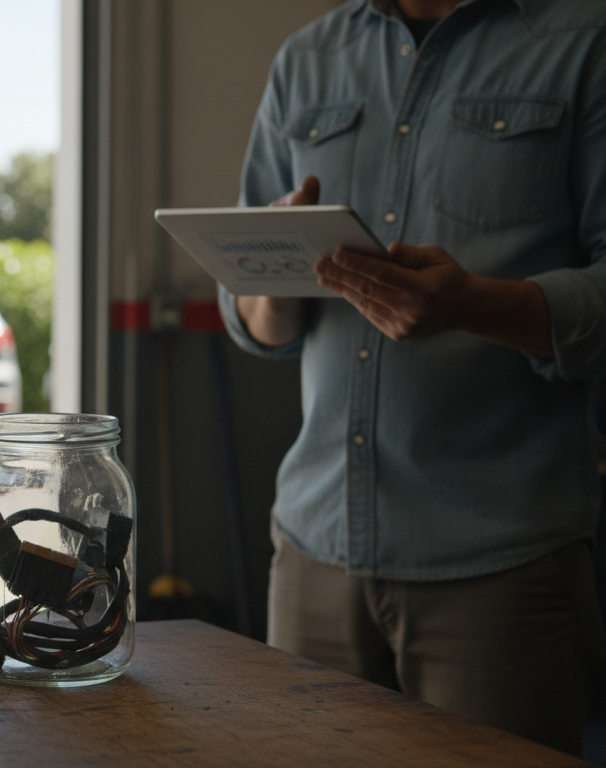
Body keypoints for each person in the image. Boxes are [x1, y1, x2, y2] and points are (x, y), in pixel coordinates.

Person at [217, 0, 606, 755]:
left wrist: (473, 306)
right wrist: (276, 272)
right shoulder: (307, 58)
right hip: (310, 556)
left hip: (500, 568)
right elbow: (253, 317)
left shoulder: (585, 44)